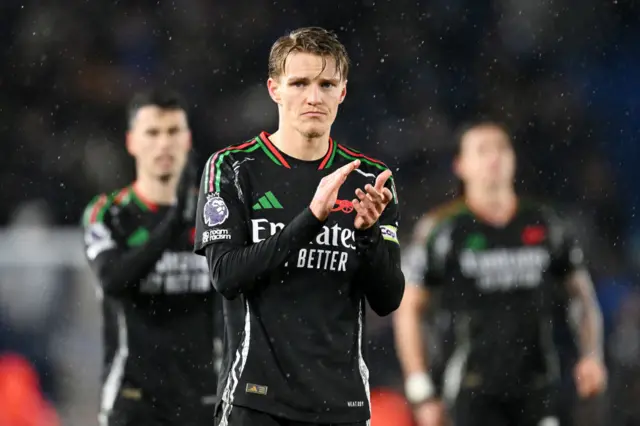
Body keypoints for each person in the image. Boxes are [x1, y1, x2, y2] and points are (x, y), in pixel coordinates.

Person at [193, 27, 405, 426]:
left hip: (341, 403)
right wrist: (311, 218)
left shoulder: (371, 179)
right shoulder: (233, 168)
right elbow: (226, 276)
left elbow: (387, 298)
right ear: (274, 89)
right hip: (256, 400)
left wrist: (367, 234)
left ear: (342, 92)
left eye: (327, 84)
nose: (314, 96)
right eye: (300, 83)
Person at [393, 120, 607, 426]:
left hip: (537, 385)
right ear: (460, 165)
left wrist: (591, 354)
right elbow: (409, 309)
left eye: (501, 148)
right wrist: (420, 387)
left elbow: (580, 295)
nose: (494, 157)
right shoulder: (442, 230)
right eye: (482, 150)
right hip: (470, 388)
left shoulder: (546, 224)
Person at [82, 89, 220, 426]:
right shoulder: (110, 213)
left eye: (173, 132)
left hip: (205, 394)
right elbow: (113, 279)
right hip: (133, 397)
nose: (164, 144)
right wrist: (174, 221)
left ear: (187, 140)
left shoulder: (215, 213)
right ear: (132, 142)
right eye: (153, 132)